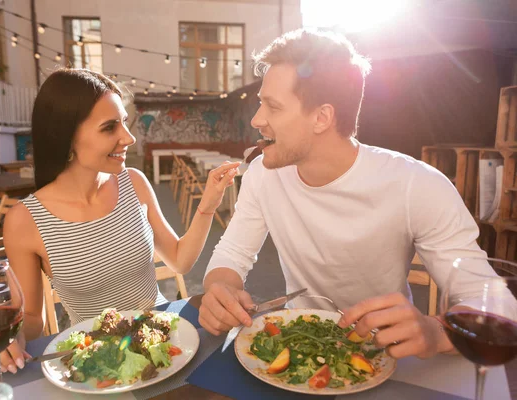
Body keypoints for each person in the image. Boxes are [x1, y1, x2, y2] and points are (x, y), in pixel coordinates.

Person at [199, 29, 496, 360]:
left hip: (387, 353)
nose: (257, 120)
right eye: (260, 104)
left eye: (272, 106)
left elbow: (493, 303)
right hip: (300, 343)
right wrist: (219, 289)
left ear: (322, 117)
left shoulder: (417, 185)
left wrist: (437, 332)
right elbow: (233, 253)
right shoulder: (262, 175)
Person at [0, 68, 240, 373]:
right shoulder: (24, 220)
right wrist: (6, 339)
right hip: (97, 365)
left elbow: (180, 260)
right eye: (110, 127)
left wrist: (207, 206)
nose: (128, 137)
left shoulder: (134, 183)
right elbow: (33, 318)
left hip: (167, 346)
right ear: (66, 137)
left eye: (124, 122)